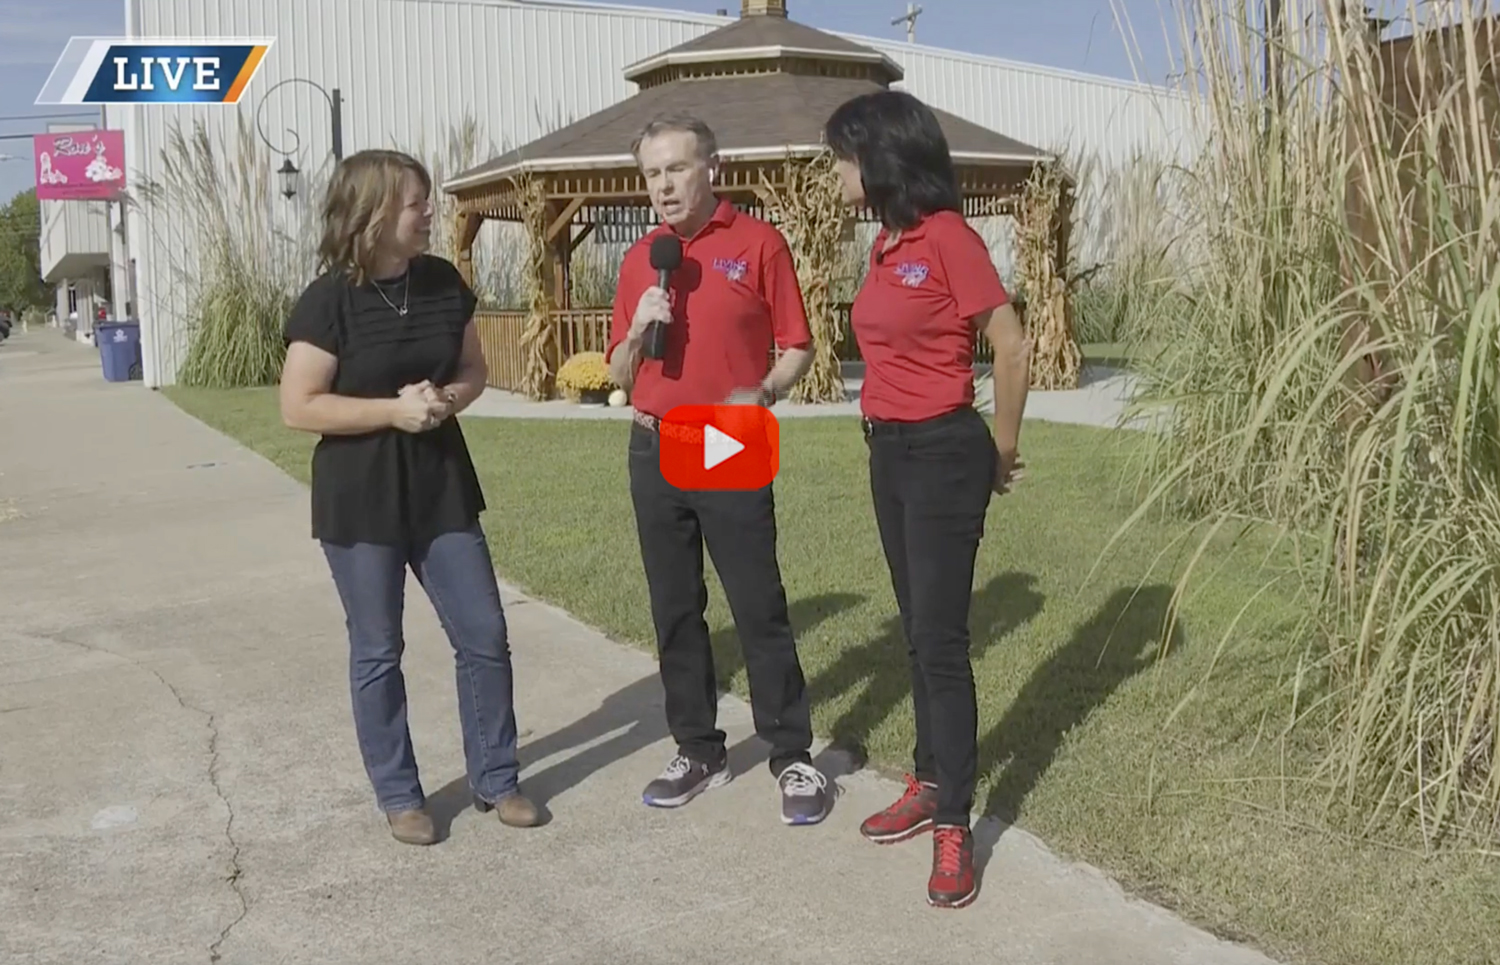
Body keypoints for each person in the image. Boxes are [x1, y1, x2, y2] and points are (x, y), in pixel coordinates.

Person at [278, 148, 539, 846]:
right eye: (416, 202)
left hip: (440, 484)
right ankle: (400, 795)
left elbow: (473, 369)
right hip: (360, 497)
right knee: (378, 649)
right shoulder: (328, 301)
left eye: (427, 201)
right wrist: (391, 411)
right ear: (374, 212)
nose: (429, 213)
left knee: (483, 633)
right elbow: (299, 405)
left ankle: (498, 778)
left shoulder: (443, 283)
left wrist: (444, 400)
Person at [823, 90, 1032, 908]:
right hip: (890, 453)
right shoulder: (886, 242)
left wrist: (1002, 447)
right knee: (915, 632)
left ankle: (954, 823)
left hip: (946, 451)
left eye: (843, 157)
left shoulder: (947, 236)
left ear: (880, 158)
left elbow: (1009, 344)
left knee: (941, 642)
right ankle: (929, 776)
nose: (836, 173)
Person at [605, 113, 832, 826]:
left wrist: (765, 389)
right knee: (674, 607)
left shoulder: (759, 243)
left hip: (728, 437)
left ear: (713, 168)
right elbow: (618, 372)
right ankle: (698, 749)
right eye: (652, 174)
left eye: (676, 168)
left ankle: (791, 753)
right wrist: (636, 332)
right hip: (653, 441)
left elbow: (798, 345)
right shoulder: (641, 260)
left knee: (757, 603)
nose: (663, 186)